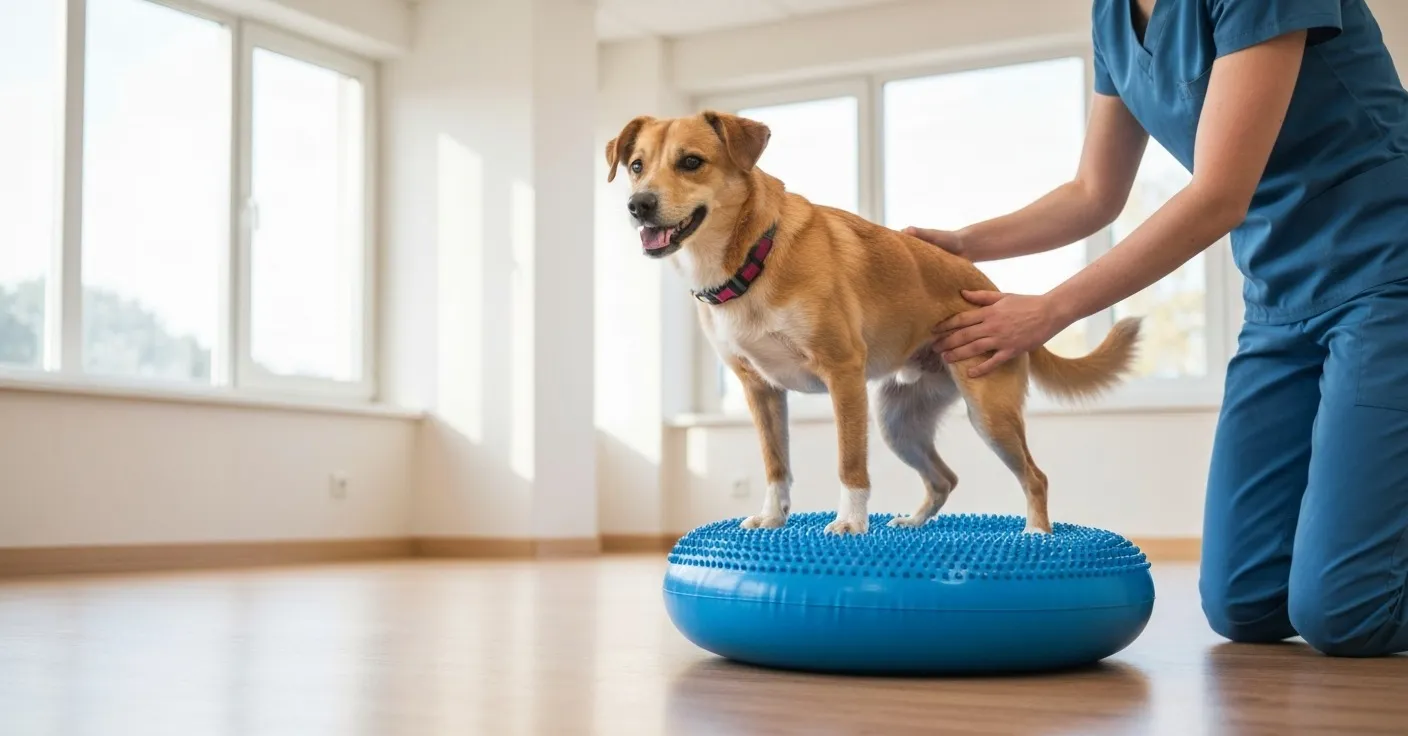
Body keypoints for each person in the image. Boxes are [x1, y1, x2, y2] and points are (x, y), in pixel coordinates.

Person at [906, 0, 1408, 658]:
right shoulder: (1112, 16)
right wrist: (964, 242)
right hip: (1280, 299)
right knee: (1243, 603)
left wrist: (1050, 309)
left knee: (1346, 613)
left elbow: (1219, 195)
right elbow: (1093, 192)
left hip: (1387, 272)